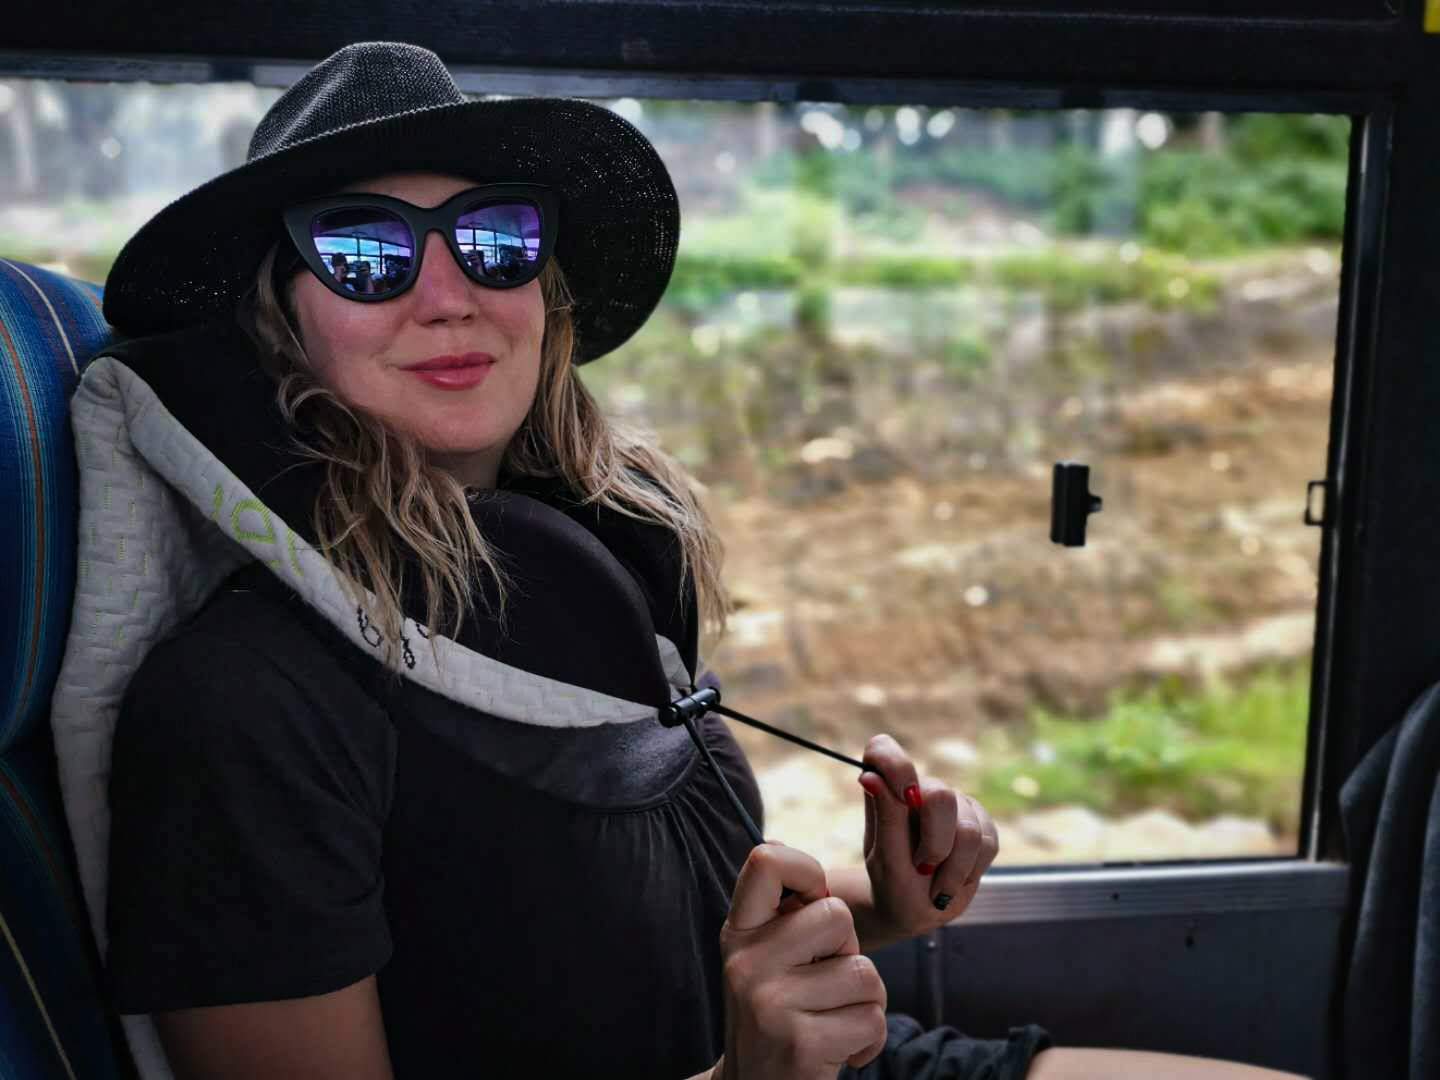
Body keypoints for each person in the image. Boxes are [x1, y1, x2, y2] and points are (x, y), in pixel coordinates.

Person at [90, 42, 1310, 1080]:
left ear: (546, 295)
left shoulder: (579, 580)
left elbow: (634, 930)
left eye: (498, 238)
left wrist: (883, 901)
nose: (450, 294)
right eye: (364, 252)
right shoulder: (243, 708)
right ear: (276, 321)